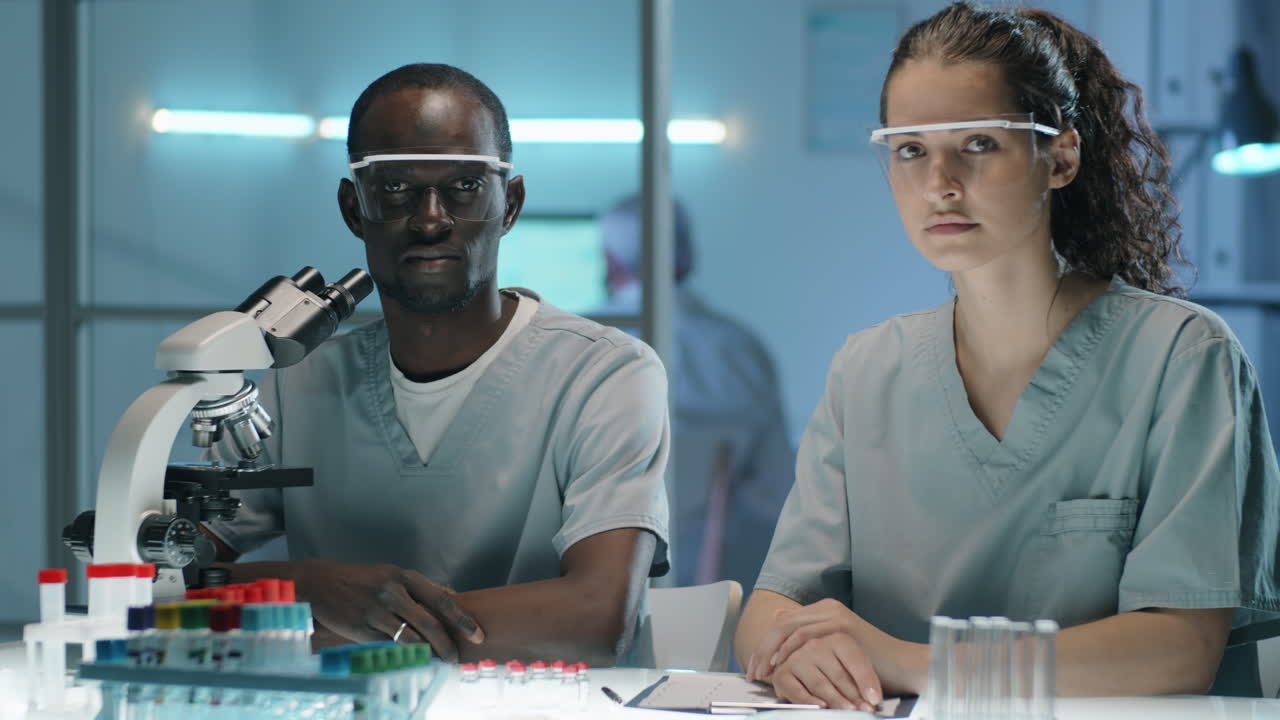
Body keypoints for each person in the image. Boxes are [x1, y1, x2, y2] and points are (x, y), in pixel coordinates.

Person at [734, 1, 1280, 709]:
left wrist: (906, 662)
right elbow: (769, 613)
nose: (940, 183)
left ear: (1061, 156)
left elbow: (1177, 650)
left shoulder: (1181, 358)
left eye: (980, 144)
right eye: (910, 150)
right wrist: (792, 657)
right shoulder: (867, 370)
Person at [202, 63, 671, 667]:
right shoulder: (302, 383)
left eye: (464, 187)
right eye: (394, 188)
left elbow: (597, 616)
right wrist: (306, 587)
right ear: (353, 207)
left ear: (511, 204)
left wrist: (358, 626)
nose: (429, 219)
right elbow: (165, 578)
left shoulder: (604, 375)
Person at [597, 195, 795, 595]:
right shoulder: (743, 350)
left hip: (598, 572)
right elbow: (776, 489)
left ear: (611, 262)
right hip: (713, 584)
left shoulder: (585, 341)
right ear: (688, 257)